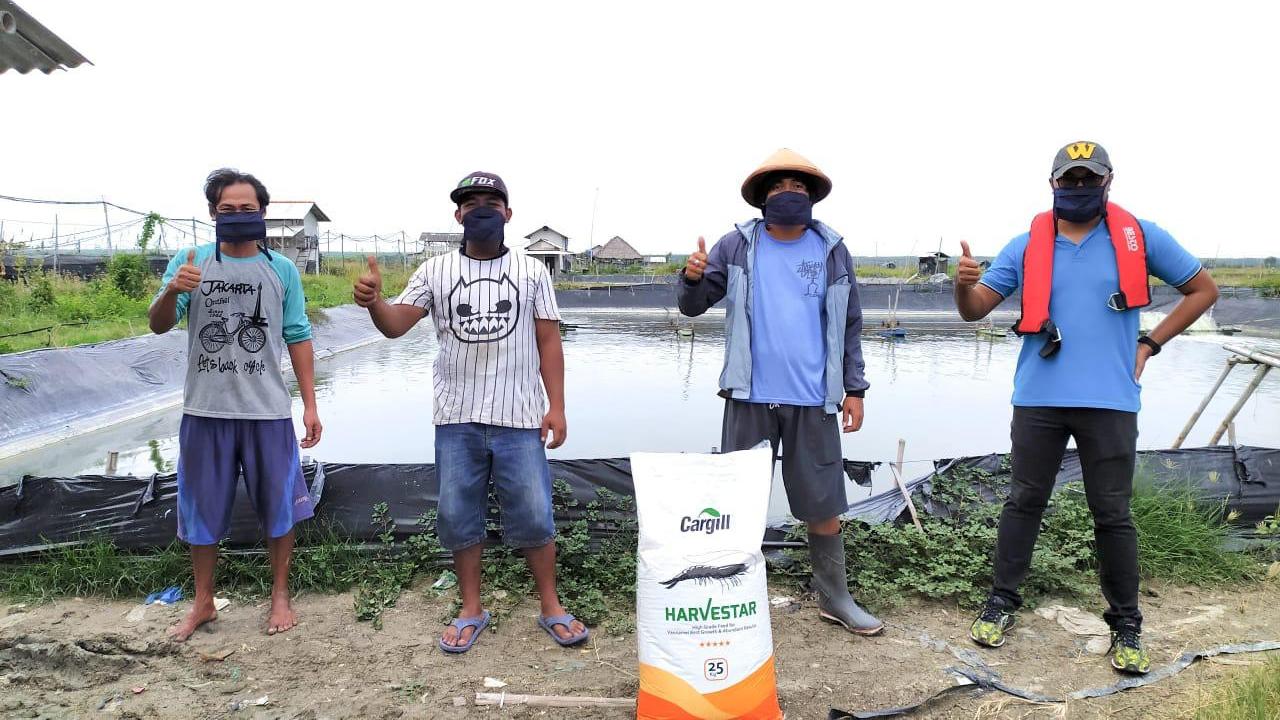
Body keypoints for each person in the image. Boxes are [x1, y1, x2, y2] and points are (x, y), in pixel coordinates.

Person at [954, 141, 1219, 674]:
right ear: (1051, 184)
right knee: (1023, 502)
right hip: (1038, 400)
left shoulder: (1139, 236)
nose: (1078, 189)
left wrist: (1150, 344)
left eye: (1088, 179)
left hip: (1111, 401)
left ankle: (1126, 625)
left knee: (1113, 514)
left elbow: (1202, 290)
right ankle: (1001, 604)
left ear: (1108, 181)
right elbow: (975, 310)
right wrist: (961, 287)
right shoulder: (1027, 244)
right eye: (1069, 180)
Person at [352, 171, 587, 654]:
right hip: (456, 417)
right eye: (471, 201)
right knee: (458, 516)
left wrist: (557, 407)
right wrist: (376, 303)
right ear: (457, 214)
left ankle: (551, 606)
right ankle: (470, 609)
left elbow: (548, 340)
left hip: (520, 417)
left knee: (535, 514)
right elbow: (397, 326)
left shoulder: (532, 272)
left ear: (508, 213)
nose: (481, 208)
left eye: (491, 200)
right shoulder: (433, 271)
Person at [678, 148, 882, 635]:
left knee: (823, 502)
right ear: (760, 199)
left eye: (796, 187)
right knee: (737, 501)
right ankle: (733, 598)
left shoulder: (832, 249)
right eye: (776, 187)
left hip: (814, 398)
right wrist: (688, 278)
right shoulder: (736, 246)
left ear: (811, 197)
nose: (787, 193)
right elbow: (693, 306)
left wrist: (854, 388)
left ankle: (835, 598)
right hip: (749, 395)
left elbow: (850, 323)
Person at [148, 168, 323, 641]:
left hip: (266, 411)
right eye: (229, 210)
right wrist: (172, 291)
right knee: (200, 510)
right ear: (212, 214)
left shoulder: (281, 269)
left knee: (279, 507)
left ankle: (280, 595)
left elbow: (298, 336)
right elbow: (158, 324)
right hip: (205, 412)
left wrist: (309, 404)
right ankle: (203, 602)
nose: (239, 216)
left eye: (248, 210)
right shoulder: (192, 262)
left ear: (262, 214)